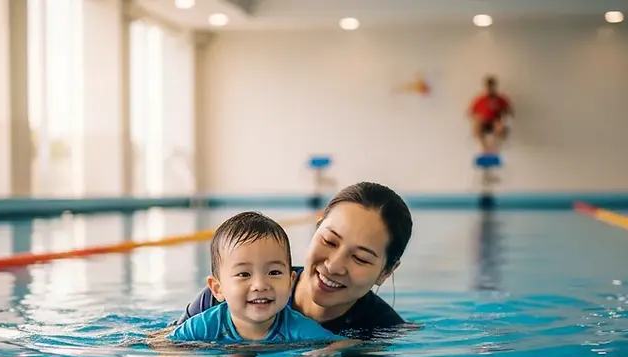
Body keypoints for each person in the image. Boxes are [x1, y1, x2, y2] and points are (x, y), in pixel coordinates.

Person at [172, 182, 413, 339]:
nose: (333, 265)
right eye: (329, 241)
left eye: (360, 258)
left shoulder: (380, 331)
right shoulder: (228, 294)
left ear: (386, 271)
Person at [168, 211, 343, 343]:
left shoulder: (299, 328)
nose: (260, 285)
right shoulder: (206, 326)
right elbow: (168, 349)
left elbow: (339, 346)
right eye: (244, 274)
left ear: (290, 282)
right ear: (217, 289)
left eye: (274, 272)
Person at [468, 75, 513, 154]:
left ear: (495, 87)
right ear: (486, 87)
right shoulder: (480, 99)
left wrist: (504, 116)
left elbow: (510, 111)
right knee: (476, 126)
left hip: (496, 122)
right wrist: (477, 118)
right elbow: (470, 112)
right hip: (484, 123)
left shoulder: (500, 99)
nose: (490, 90)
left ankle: (494, 148)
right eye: (488, 87)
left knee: (499, 126)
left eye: (492, 87)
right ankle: (484, 149)